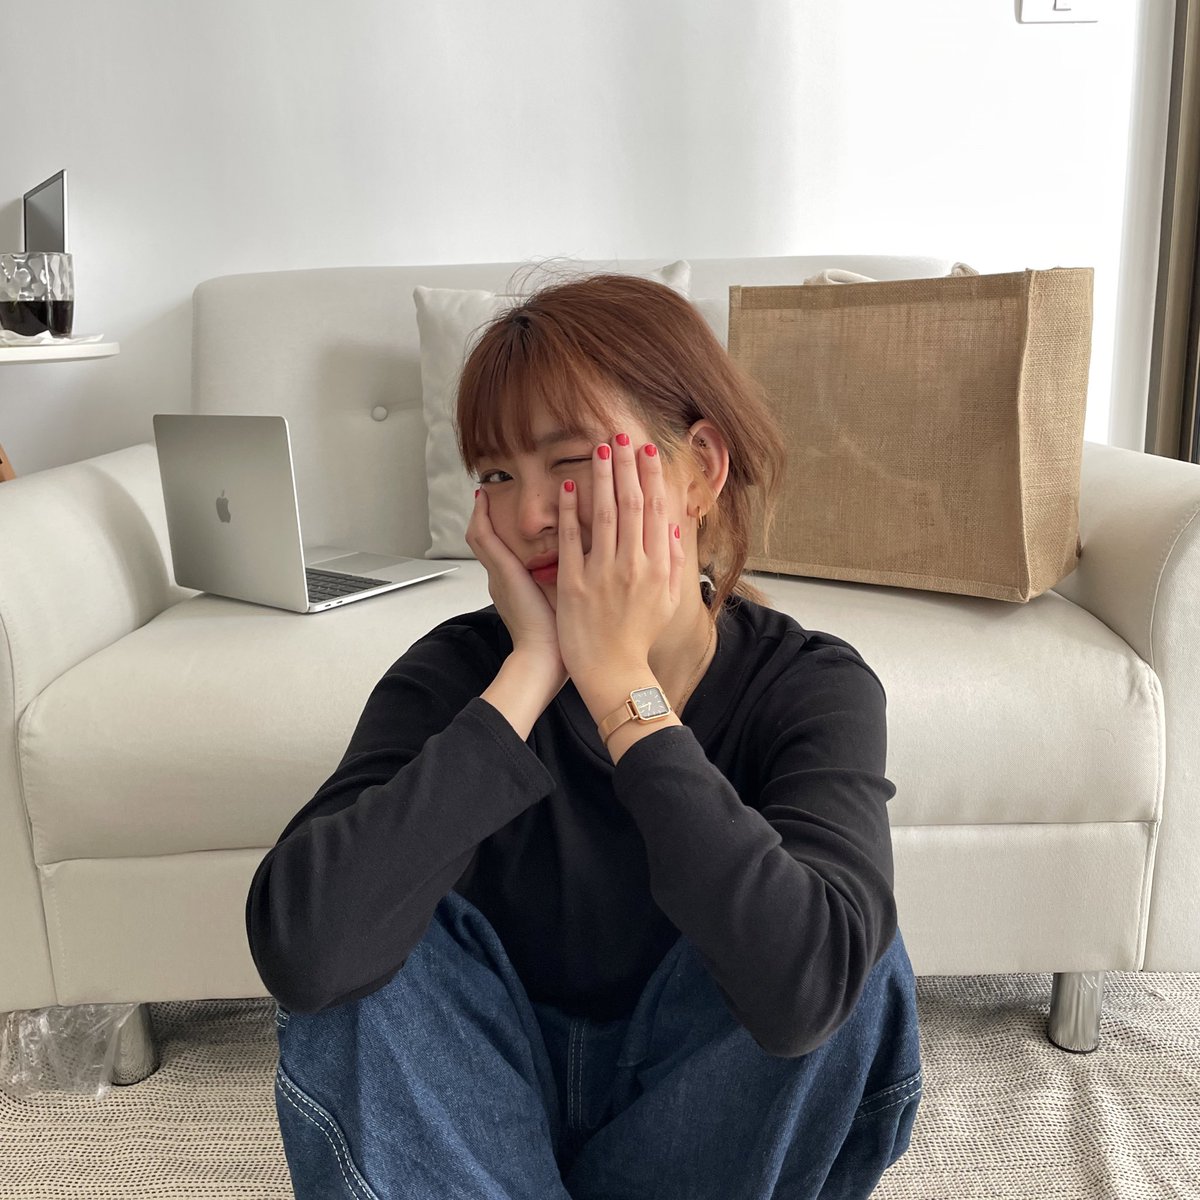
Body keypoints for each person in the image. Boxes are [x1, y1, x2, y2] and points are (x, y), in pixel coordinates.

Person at [246, 268, 923, 1199]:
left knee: (848, 948)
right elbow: (305, 951)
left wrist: (622, 691)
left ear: (700, 470)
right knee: (360, 924)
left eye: (569, 462)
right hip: (484, 1101)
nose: (529, 515)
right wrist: (531, 671)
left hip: (697, 1118)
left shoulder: (811, 686)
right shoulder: (456, 673)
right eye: (496, 475)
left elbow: (809, 995)